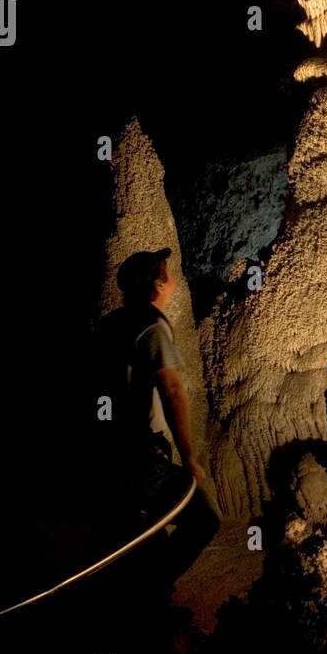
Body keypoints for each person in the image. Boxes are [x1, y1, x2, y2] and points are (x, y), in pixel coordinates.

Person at [98, 247, 220, 586]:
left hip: (111, 452)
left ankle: (150, 608)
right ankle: (148, 598)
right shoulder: (150, 326)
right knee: (205, 519)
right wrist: (190, 456)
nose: (173, 279)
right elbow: (173, 391)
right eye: (168, 272)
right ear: (158, 283)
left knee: (145, 537)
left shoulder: (112, 323)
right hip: (143, 454)